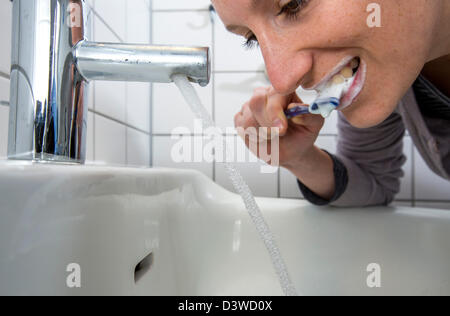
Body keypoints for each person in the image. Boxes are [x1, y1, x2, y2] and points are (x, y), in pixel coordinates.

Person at [211, 0, 450, 207]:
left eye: (293, 4)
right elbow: (374, 179)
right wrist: (301, 159)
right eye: (253, 39)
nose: (282, 80)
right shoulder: (388, 65)